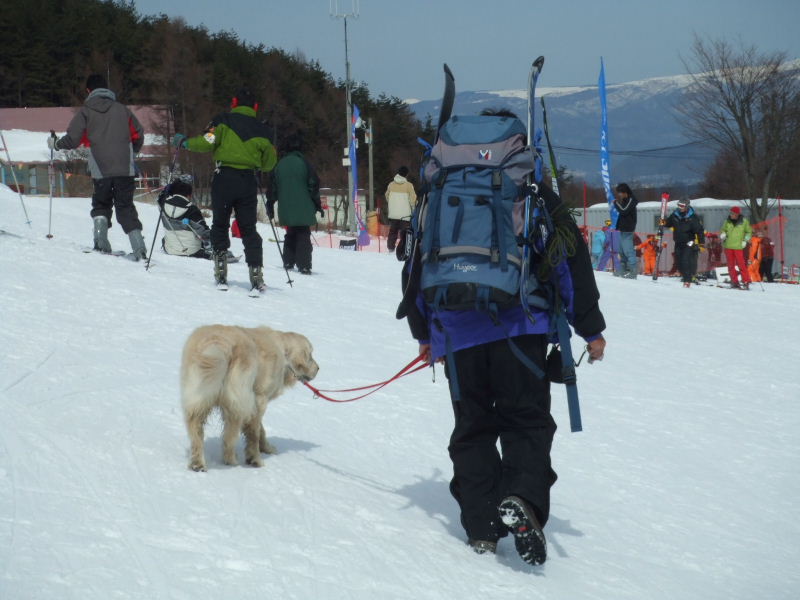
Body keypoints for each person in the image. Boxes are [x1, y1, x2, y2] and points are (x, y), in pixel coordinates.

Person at [397, 110, 606, 565]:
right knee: (525, 420)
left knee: (472, 426)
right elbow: (570, 258)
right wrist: (590, 328)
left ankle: (481, 527)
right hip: (519, 323)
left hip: (456, 330)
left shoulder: (438, 191)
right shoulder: (529, 190)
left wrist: (424, 331)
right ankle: (523, 499)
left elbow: (413, 265)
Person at [173, 87, 277, 292]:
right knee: (248, 228)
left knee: (220, 223)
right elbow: (269, 163)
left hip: (224, 178)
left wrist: (184, 143)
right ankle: (256, 273)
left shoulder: (222, 121)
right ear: (255, 107)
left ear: (234, 103)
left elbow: (205, 143)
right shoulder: (264, 130)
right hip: (248, 181)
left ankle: (221, 269)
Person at [48, 74, 147, 259]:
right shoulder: (123, 110)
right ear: (107, 89)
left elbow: (73, 139)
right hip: (124, 168)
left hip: (100, 168)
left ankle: (101, 243)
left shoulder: (85, 112)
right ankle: (139, 249)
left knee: (101, 203)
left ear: (88, 90)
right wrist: (131, 152)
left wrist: (55, 144)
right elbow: (139, 134)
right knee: (125, 207)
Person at [268, 134, 323, 274]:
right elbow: (313, 185)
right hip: (304, 206)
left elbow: (272, 187)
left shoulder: (280, 165)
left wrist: (270, 204)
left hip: (286, 207)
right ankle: (304, 265)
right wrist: (317, 204)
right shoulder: (304, 163)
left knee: (291, 232)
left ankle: (288, 261)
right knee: (303, 234)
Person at [663, 198, 705, 287]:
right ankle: (686, 276)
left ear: (686, 206)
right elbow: (668, 223)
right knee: (678, 261)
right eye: (679, 205)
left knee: (685, 260)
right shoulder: (675, 215)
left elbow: (699, 230)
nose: (680, 207)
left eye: (682, 206)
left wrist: (701, 243)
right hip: (678, 242)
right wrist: (663, 222)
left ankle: (687, 280)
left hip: (689, 242)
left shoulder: (692, 217)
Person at [384, 166, 417, 251]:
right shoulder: (409, 186)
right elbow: (413, 200)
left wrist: (393, 205)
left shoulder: (391, 185)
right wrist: (414, 208)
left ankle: (390, 248)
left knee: (393, 231)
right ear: (406, 175)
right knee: (404, 233)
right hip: (405, 215)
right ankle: (404, 249)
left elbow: (387, 196)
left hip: (393, 214)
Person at [719, 206, 752, 290]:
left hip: (738, 247)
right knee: (731, 265)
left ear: (737, 214)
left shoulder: (744, 222)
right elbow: (723, 230)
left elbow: (749, 232)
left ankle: (746, 281)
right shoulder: (727, 221)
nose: (731, 215)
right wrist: (723, 234)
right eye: (731, 213)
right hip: (728, 246)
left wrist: (745, 240)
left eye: (733, 213)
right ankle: (734, 282)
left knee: (742, 265)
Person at [613, 182, 638, 278]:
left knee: (628, 251)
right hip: (622, 229)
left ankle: (633, 272)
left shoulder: (632, 200)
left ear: (625, 192)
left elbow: (623, 211)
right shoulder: (624, 200)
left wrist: (615, 203)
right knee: (621, 251)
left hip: (628, 229)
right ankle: (622, 269)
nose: (619, 194)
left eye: (620, 192)